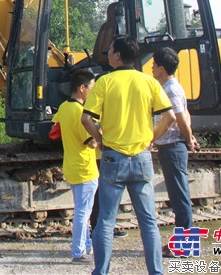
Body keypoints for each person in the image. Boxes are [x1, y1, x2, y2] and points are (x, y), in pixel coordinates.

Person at [81, 35, 176, 275]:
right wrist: (152, 139)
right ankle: (156, 271)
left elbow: (86, 118)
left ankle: (101, 271)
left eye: (110, 50)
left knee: (105, 221)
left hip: (113, 158)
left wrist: (100, 139)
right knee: (148, 222)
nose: (109, 54)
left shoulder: (104, 82)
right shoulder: (149, 82)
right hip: (142, 158)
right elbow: (170, 117)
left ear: (118, 55)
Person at [152, 47, 198, 257]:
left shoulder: (170, 89)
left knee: (180, 198)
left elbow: (180, 118)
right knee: (178, 196)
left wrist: (189, 140)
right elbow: (185, 114)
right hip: (170, 147)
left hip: (173, 147)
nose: (151, 67)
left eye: (154, 64)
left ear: (162, 68)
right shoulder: (171, 86)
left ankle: (185, 245)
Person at [51, 69, 98, 262]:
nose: (93, 93)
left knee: (82, 209)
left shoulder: (63, 107)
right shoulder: (80, 113)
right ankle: (78, 252)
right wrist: (99, 130)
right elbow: (92, 142)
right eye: (92, 89)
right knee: (83, 212)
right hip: (85, 168)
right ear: (82, 88)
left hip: (71, 165)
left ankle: (86, 245)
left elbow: (56, 128)